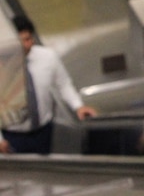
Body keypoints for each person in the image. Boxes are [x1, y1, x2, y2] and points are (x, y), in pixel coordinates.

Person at [0, 15, 98, 154]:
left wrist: (78, 106)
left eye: (27, 39)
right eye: (20, 41)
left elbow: (63, 84)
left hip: (43, 132)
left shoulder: (47, 57)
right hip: (12, 136)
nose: (25, 45)